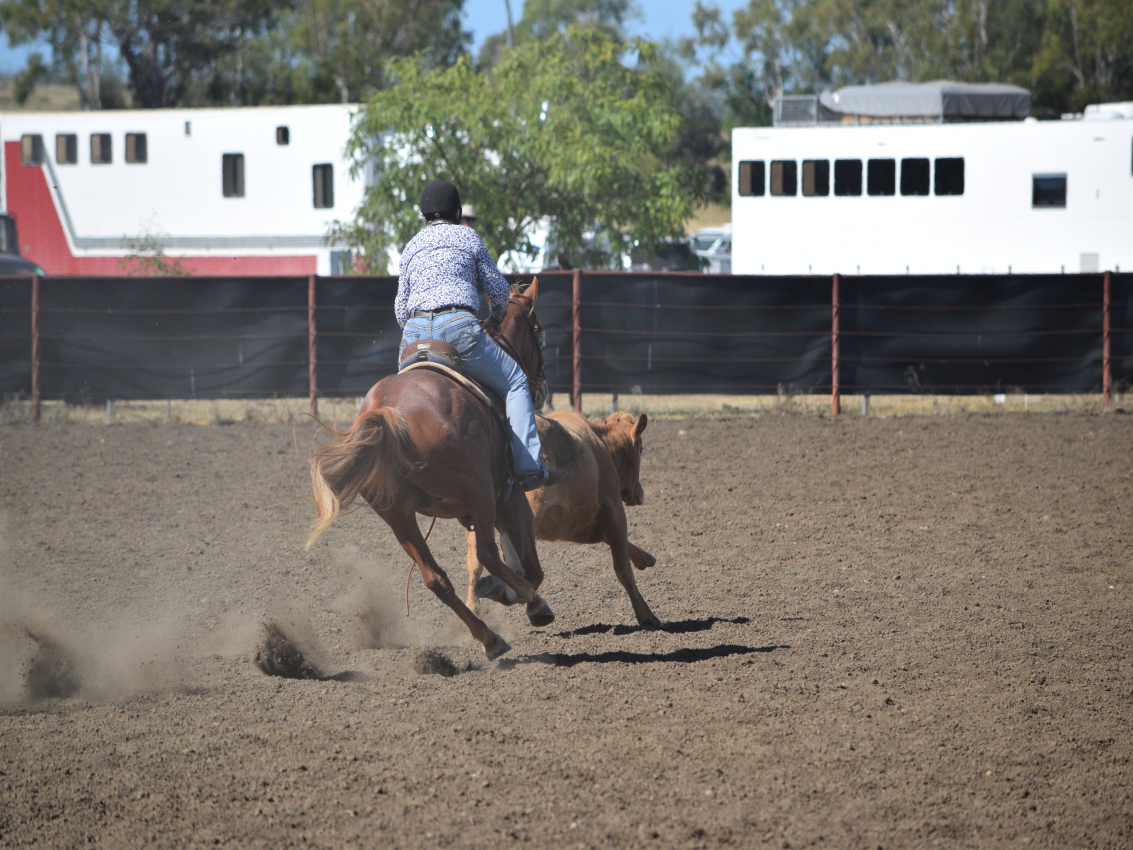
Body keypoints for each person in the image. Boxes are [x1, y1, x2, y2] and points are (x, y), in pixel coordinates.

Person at [395, 178, 565, 491]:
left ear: (423, 216)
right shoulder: (468, 237)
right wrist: (497, 316)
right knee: (515, 381)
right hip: (458, 330)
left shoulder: (411, 247)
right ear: (458, 212)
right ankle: (529, 467)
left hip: (414, 335)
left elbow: (400, 310)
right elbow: (498, 293)